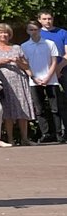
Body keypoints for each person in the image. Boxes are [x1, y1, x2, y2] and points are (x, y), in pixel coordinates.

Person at [0, 22, 36, 146]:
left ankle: (25, 138)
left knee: (22, 109)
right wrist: (0, 61)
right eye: (1, 32)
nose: (4, 35)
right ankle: (10, 139)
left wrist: (18, 61)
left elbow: (26, 66)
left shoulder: (17, 48)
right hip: (4, 82)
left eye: (6, 33)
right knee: (7, 110)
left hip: (19, 80)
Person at [21, 19, 60, 144]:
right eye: (31, 29)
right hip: (35, 81)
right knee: (39, 109)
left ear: (40, 30)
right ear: (27, 31)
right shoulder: (24, 46)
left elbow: (54, 61)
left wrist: (48, 76)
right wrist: (34, 77)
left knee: (55, 108)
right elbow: (25, 65)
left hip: (51, 80)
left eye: (36, 29)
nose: (33, 32)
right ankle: (45, 133)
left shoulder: (50, 43)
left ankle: (58, 133)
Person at [39, 12, 67, 141]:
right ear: (39, 20)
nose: (47, 21)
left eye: (49, 18)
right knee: (52, 102)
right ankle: (52, 133)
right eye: (44, 19)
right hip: (45, 73)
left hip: (63, 70)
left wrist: (59, 68)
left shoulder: (62, 32)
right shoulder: (37, 34)